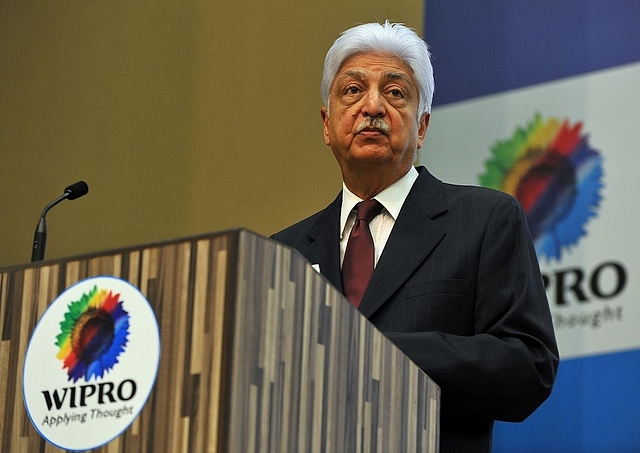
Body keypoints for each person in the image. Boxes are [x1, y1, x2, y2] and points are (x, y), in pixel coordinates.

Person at [271, 21, 558, 452]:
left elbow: (527, 366)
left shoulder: (484, 220)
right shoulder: (282, 253)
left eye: (395, 92)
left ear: (421, 127)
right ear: (327, 124)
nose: (372, 106)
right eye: (352, 90)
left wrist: (371, 351)